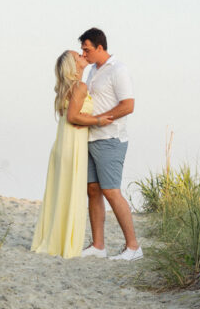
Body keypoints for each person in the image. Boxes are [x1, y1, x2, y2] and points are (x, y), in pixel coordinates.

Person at [31, 49, 114, 258]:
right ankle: (65, 243)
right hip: (72, 145)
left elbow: (71, 115)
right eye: (78, 55)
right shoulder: (79, 86)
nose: (82, 55)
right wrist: (98, 121)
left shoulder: (66, 88)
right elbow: (73, 117)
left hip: (64, 144)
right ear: (73, 64)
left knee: (61, 193)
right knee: (72, 193)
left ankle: (56, 240)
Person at [79, 27, 143, 261]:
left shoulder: (118, 70)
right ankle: (98, 246)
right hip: (91, 137)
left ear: (100, 47)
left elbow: (128, 105)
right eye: (82, 50)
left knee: (111, 191)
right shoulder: (92, 71)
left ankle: (133, 247)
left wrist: (103, 118)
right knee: (93, 190)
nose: (83, 54)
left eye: (87, 49)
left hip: (111, 138)